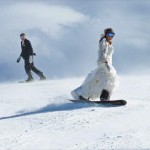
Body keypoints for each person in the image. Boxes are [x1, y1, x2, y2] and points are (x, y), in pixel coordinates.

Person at [71, 28, 119, 101]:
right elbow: (103, 52)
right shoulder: (104, 42)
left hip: (105, 63)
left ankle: (80, 93)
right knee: (111, 79)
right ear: (106, 34)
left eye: (113, 35)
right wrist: (105, 62)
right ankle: (104, 96)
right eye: (109, 34)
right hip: (104, 63)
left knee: (98, 79)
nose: (111, 36)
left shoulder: (107, 42)